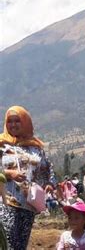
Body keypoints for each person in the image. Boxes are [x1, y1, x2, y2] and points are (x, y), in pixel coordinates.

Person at [0, 106, 56, 250]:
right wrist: (8, 174)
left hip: (28, 204)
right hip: (6, 202)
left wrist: (49, 183)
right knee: (8, 242)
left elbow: (47, 168)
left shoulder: (36, 147)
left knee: (21, 243)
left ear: (25, 122)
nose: (13, 125)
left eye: (17, 121)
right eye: (10, 121)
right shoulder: (1, 145)